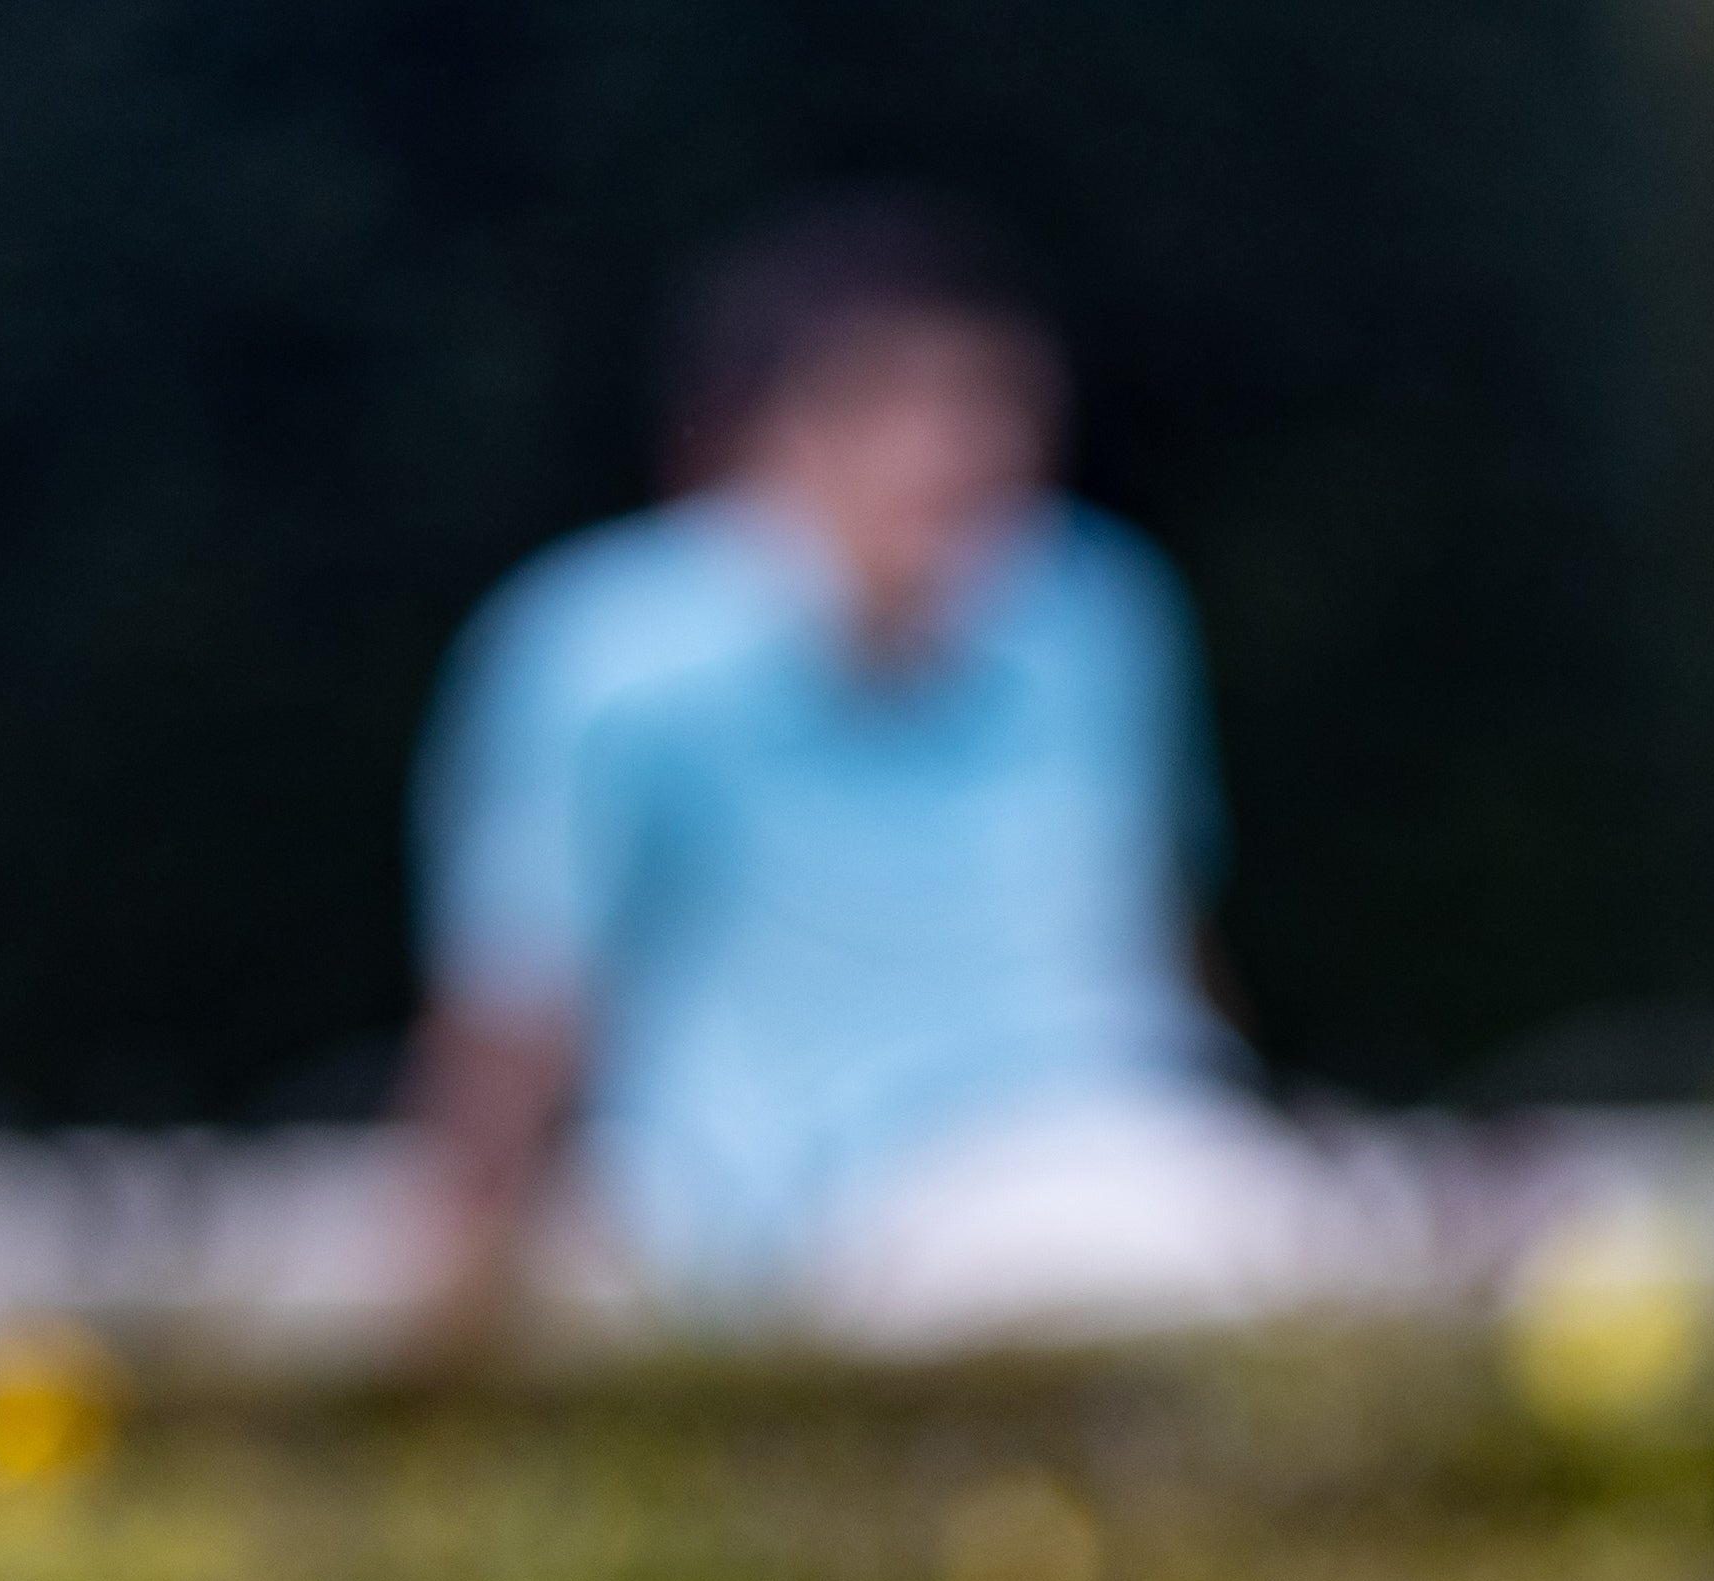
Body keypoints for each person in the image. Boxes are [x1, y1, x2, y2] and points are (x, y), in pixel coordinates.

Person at [408, 198, 1335, 1343]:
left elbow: (1153, 921)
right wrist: (452, 1279)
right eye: (879, 402)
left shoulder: (1092, 609)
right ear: (756, 435)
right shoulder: (609, 647)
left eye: (984, 404)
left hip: (1102, 1136)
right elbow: (522, 996)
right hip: (767, 1201)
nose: (940, 454)